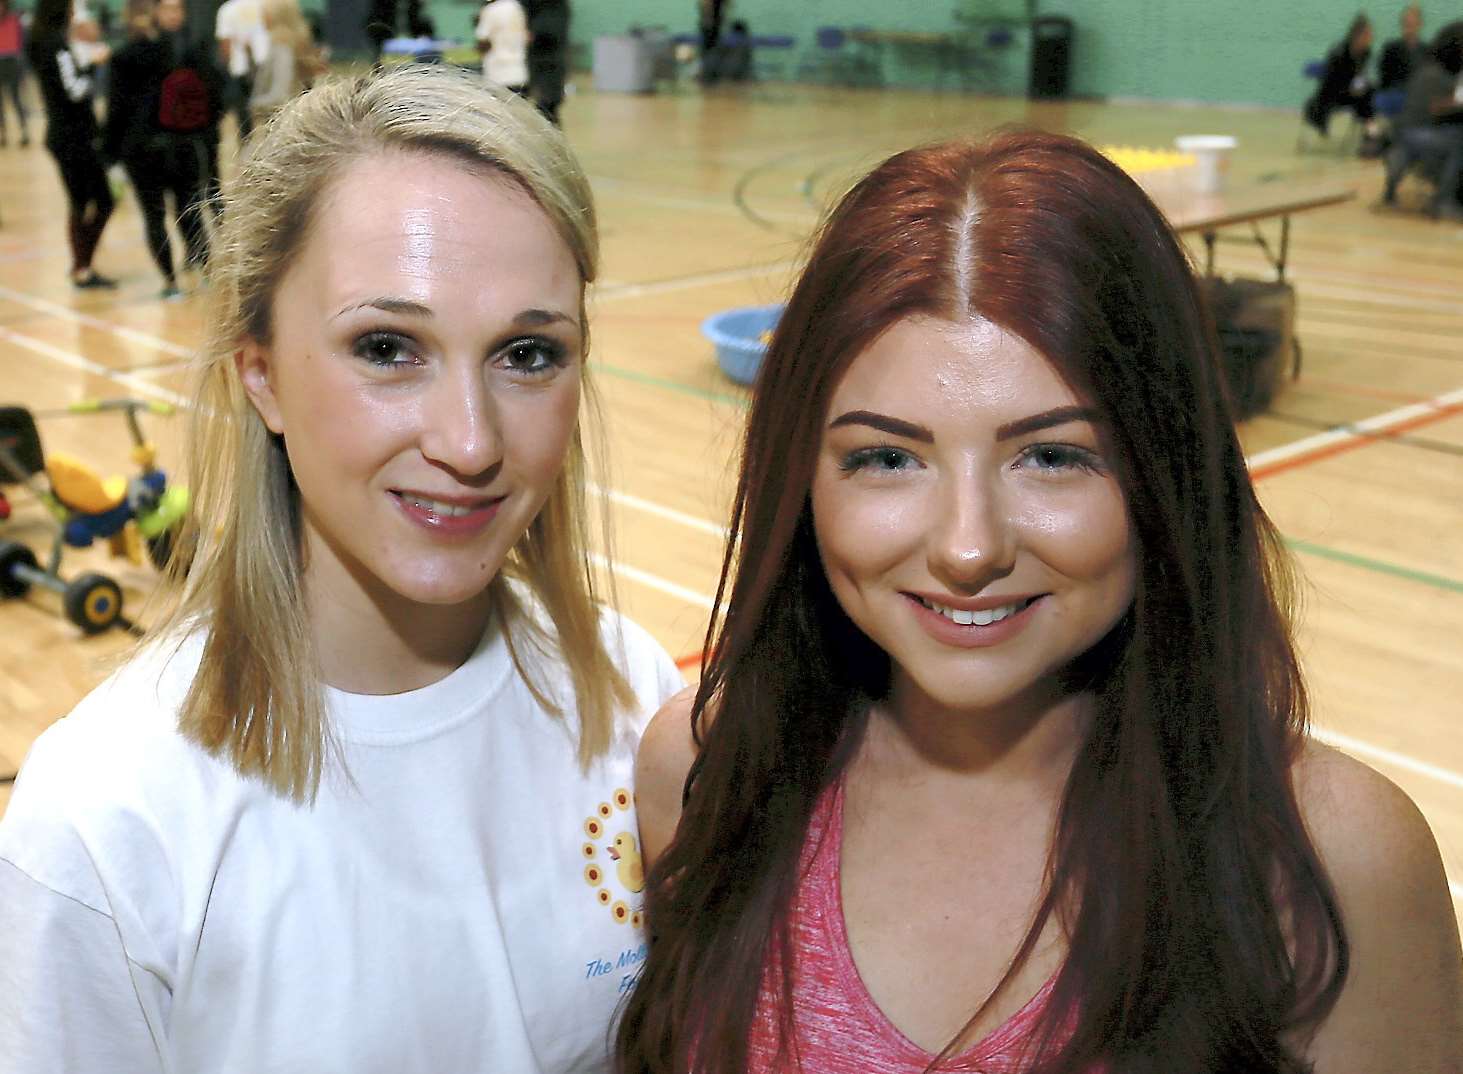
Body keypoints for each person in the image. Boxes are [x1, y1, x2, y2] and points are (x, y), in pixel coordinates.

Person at [618, 132, 1463, 1073]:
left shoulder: (1333, 863)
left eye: (1052, 455)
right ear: (800, 477)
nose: (967, 548)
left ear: (1163, 471)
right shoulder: (701, 774)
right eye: (887, 457)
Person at [0, 64, 681, 1072]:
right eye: (387, 346)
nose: (468, 440)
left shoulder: (636, 703)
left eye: (527, 355)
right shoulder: (108, 825)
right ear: (260, 374)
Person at [105, 0, 224, 297]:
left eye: (178, 8)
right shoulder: (186, 52)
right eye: (168, 8)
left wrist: (110, 153)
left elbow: (116, 110)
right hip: (155, 146)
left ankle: (180, 279)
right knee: (171, 212)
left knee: (180, 212)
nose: (173, 15)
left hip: (166, 145)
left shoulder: (130, 55)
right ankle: (179, 278)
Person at [25, 0, 116, 287]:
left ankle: (81, 265)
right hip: (73, 136)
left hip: (64, 135)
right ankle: (82, 266)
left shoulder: (40, 43)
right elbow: (74, 90)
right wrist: (93, 66)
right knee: (102, 200)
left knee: (80, 202)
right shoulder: (56, 46)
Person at [1383, 20, 1463, 219]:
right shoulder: (1435, 73)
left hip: (1415, 131)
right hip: (1413, 133)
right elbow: (1436, 108)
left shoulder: (1434, 68)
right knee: (1459, 142)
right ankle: (1444, 201)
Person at [1304, 13, 1384, 154]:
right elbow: (1331, 83)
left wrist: (1358, 86)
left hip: (1351, 94)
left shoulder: (1366, 52)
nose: (1370, 38)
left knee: (1369, 91)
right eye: (1367, 35)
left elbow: (1360, 76)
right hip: (1330, 95)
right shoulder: (1339, 52)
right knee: (1366, 96)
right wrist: (1354, 87)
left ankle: (1371, 135)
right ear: (1357, 36)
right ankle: (1372, 134)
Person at [248, 0, 322, 124]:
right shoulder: (299, 41)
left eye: (265, 13)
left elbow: (280, 93)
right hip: (296, 115)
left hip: (282, 119)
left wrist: (254, 103)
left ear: (276, 15)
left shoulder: (281, 46)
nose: (262, 17)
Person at [214, 0, 268, 142]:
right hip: (264, 67)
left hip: (240, 68)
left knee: (244, 117)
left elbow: (225, 43)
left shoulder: (227, 9)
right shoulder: (266, 5)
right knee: (269, 115)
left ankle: (247, 146)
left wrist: (227, 66)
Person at [523, 0, 568, 126]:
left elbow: (549, 31)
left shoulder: (553, 9)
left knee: (547, 107)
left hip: (548, 60)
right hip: (540, 60)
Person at [476, 0, 529, 97]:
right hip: (520, 70)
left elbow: (483, 39)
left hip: (499, 71)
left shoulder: (491, 10)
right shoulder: (518, 7)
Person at [0, 0, 30, 147]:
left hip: (12, 61)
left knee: (15, 97)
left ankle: (24, 132)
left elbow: (22, 43)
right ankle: (2, 133)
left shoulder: (14, 19)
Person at [1378, 4, 1426, 91]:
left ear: (1420, 24)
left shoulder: (1427, 51)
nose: (1409, 28)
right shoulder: (1391, 49)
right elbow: (1384, 78)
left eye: (1412, 24)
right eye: (1407, 24)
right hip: (1396, 94)